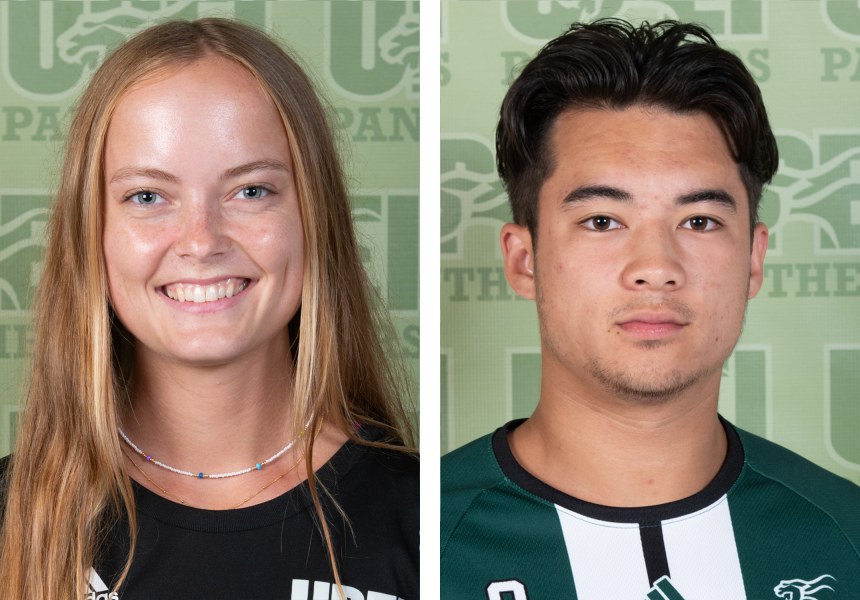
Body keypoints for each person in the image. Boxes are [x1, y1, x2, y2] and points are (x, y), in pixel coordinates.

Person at [0, 18, 418, 600]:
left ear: (313, 218)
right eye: (147, 196)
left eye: (251, 190)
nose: (201, 241)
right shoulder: (10, 523)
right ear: (92, 234)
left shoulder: (432, 528)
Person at [441, 19, 860, 599]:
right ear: (524, 260)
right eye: (603, 221)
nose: (656, 265)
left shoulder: (846, 534)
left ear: (754, 259)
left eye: (699, 221)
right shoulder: (413, 542)